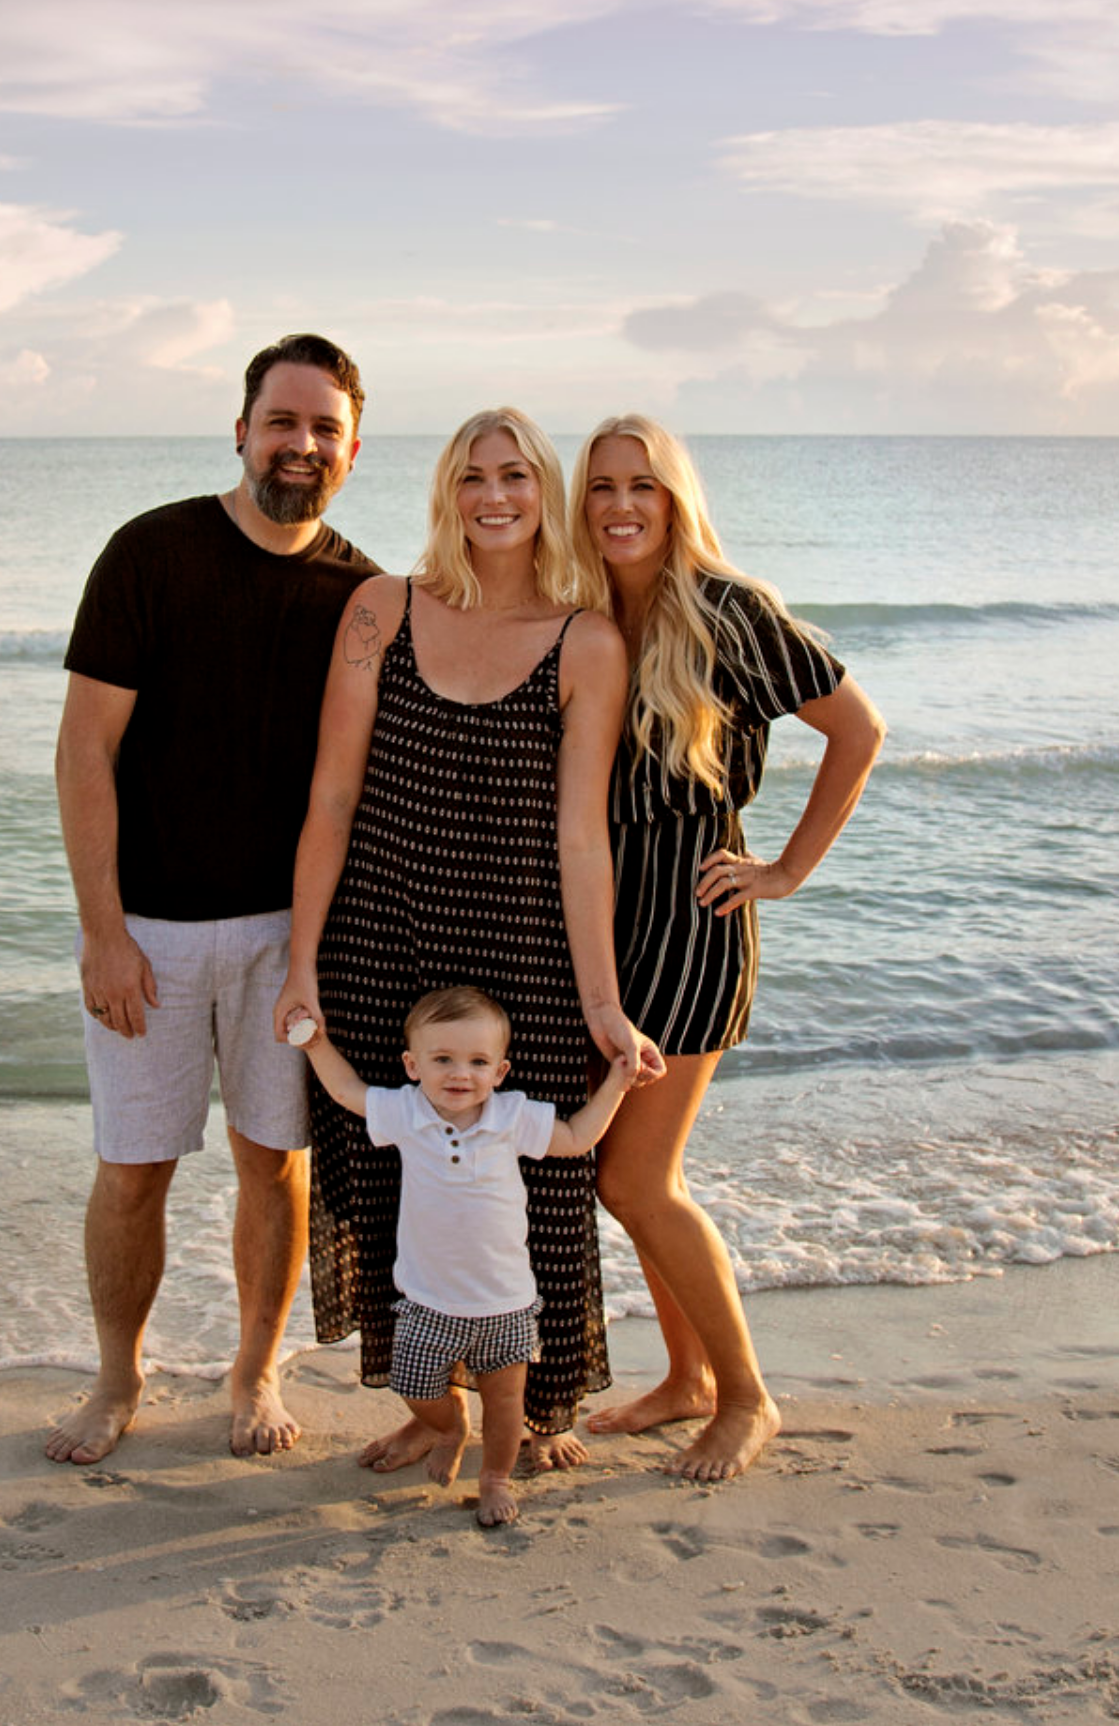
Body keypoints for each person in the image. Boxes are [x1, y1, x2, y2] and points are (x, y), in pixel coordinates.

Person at [275, 406, 658, 1477]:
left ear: (545, 494)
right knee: (394, 1177)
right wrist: (300, 959)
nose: (494, 496)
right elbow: (332, 793)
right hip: (379, 938)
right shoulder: (379, 609)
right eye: (472, 476)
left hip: (522, 949)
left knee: (532, 1186)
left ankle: (529, 1411)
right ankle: (434, 1408)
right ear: (446, 491)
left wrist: (600, 1002)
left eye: (517, 476)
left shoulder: (586, 638)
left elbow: (582, 838)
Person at [46, 333, 381, 1466]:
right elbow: (83, 751)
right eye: (281, 421)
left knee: (270, 1163)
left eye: (323, 428)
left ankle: (253, 1372)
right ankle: (116, 1378)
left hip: (288, 940)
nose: (299, 444)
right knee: (132, 1166)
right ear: (239, 429)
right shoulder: (149, 553)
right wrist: (101, 932)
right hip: (147, 929)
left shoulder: (362, 595)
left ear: (351, 448)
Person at [571, 413, 885, 1481]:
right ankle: (682, 1380)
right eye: (602, 486)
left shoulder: (726, 610)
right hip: (602, 926)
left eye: (641, 487)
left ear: (673, 499)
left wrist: (787, 870)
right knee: (624, 1175)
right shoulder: (582, 606)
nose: (620, 505)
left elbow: (857, 729)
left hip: (692, 915)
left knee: (635, 1178)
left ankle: (745, 1398)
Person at [288, 986, 630, 1525]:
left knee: (506, 1406)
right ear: (412, 1064)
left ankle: (494, 1477)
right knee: (414, 1385)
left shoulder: (511, 1116)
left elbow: (577, 1137)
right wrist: (313, 1046)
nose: (459, 1073)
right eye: (442, 1059)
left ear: (500, 1071)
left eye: (477, 1062)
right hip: (427, 1303)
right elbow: (348, 1091)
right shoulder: (406, 1111)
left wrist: (619, 1079)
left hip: (508, 1305)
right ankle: (448, 1426)